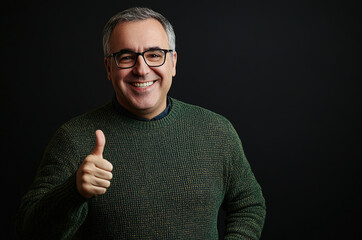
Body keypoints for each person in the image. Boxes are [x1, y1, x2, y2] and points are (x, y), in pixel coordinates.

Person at [16, 7, 266, 239]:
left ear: (173, 62)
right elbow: (29, 230)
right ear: (108, 68)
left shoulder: (216, 131)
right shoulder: (73, 138)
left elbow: (249, 205)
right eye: (126, 57)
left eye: (154, 55)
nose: (142, 69)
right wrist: (74, 193)